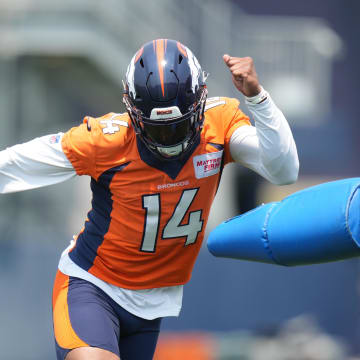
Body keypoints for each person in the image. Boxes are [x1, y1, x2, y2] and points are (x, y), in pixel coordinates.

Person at [0, 39, 299, 360]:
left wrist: (258, 99)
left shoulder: (219, 125)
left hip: (151, 304)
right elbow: (12, 165)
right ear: (133, 113)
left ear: (200, 103)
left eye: (178, 126)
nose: (169, 139)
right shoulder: (105, 140)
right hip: (93, 285)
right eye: (158, 130)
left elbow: (283, 169)